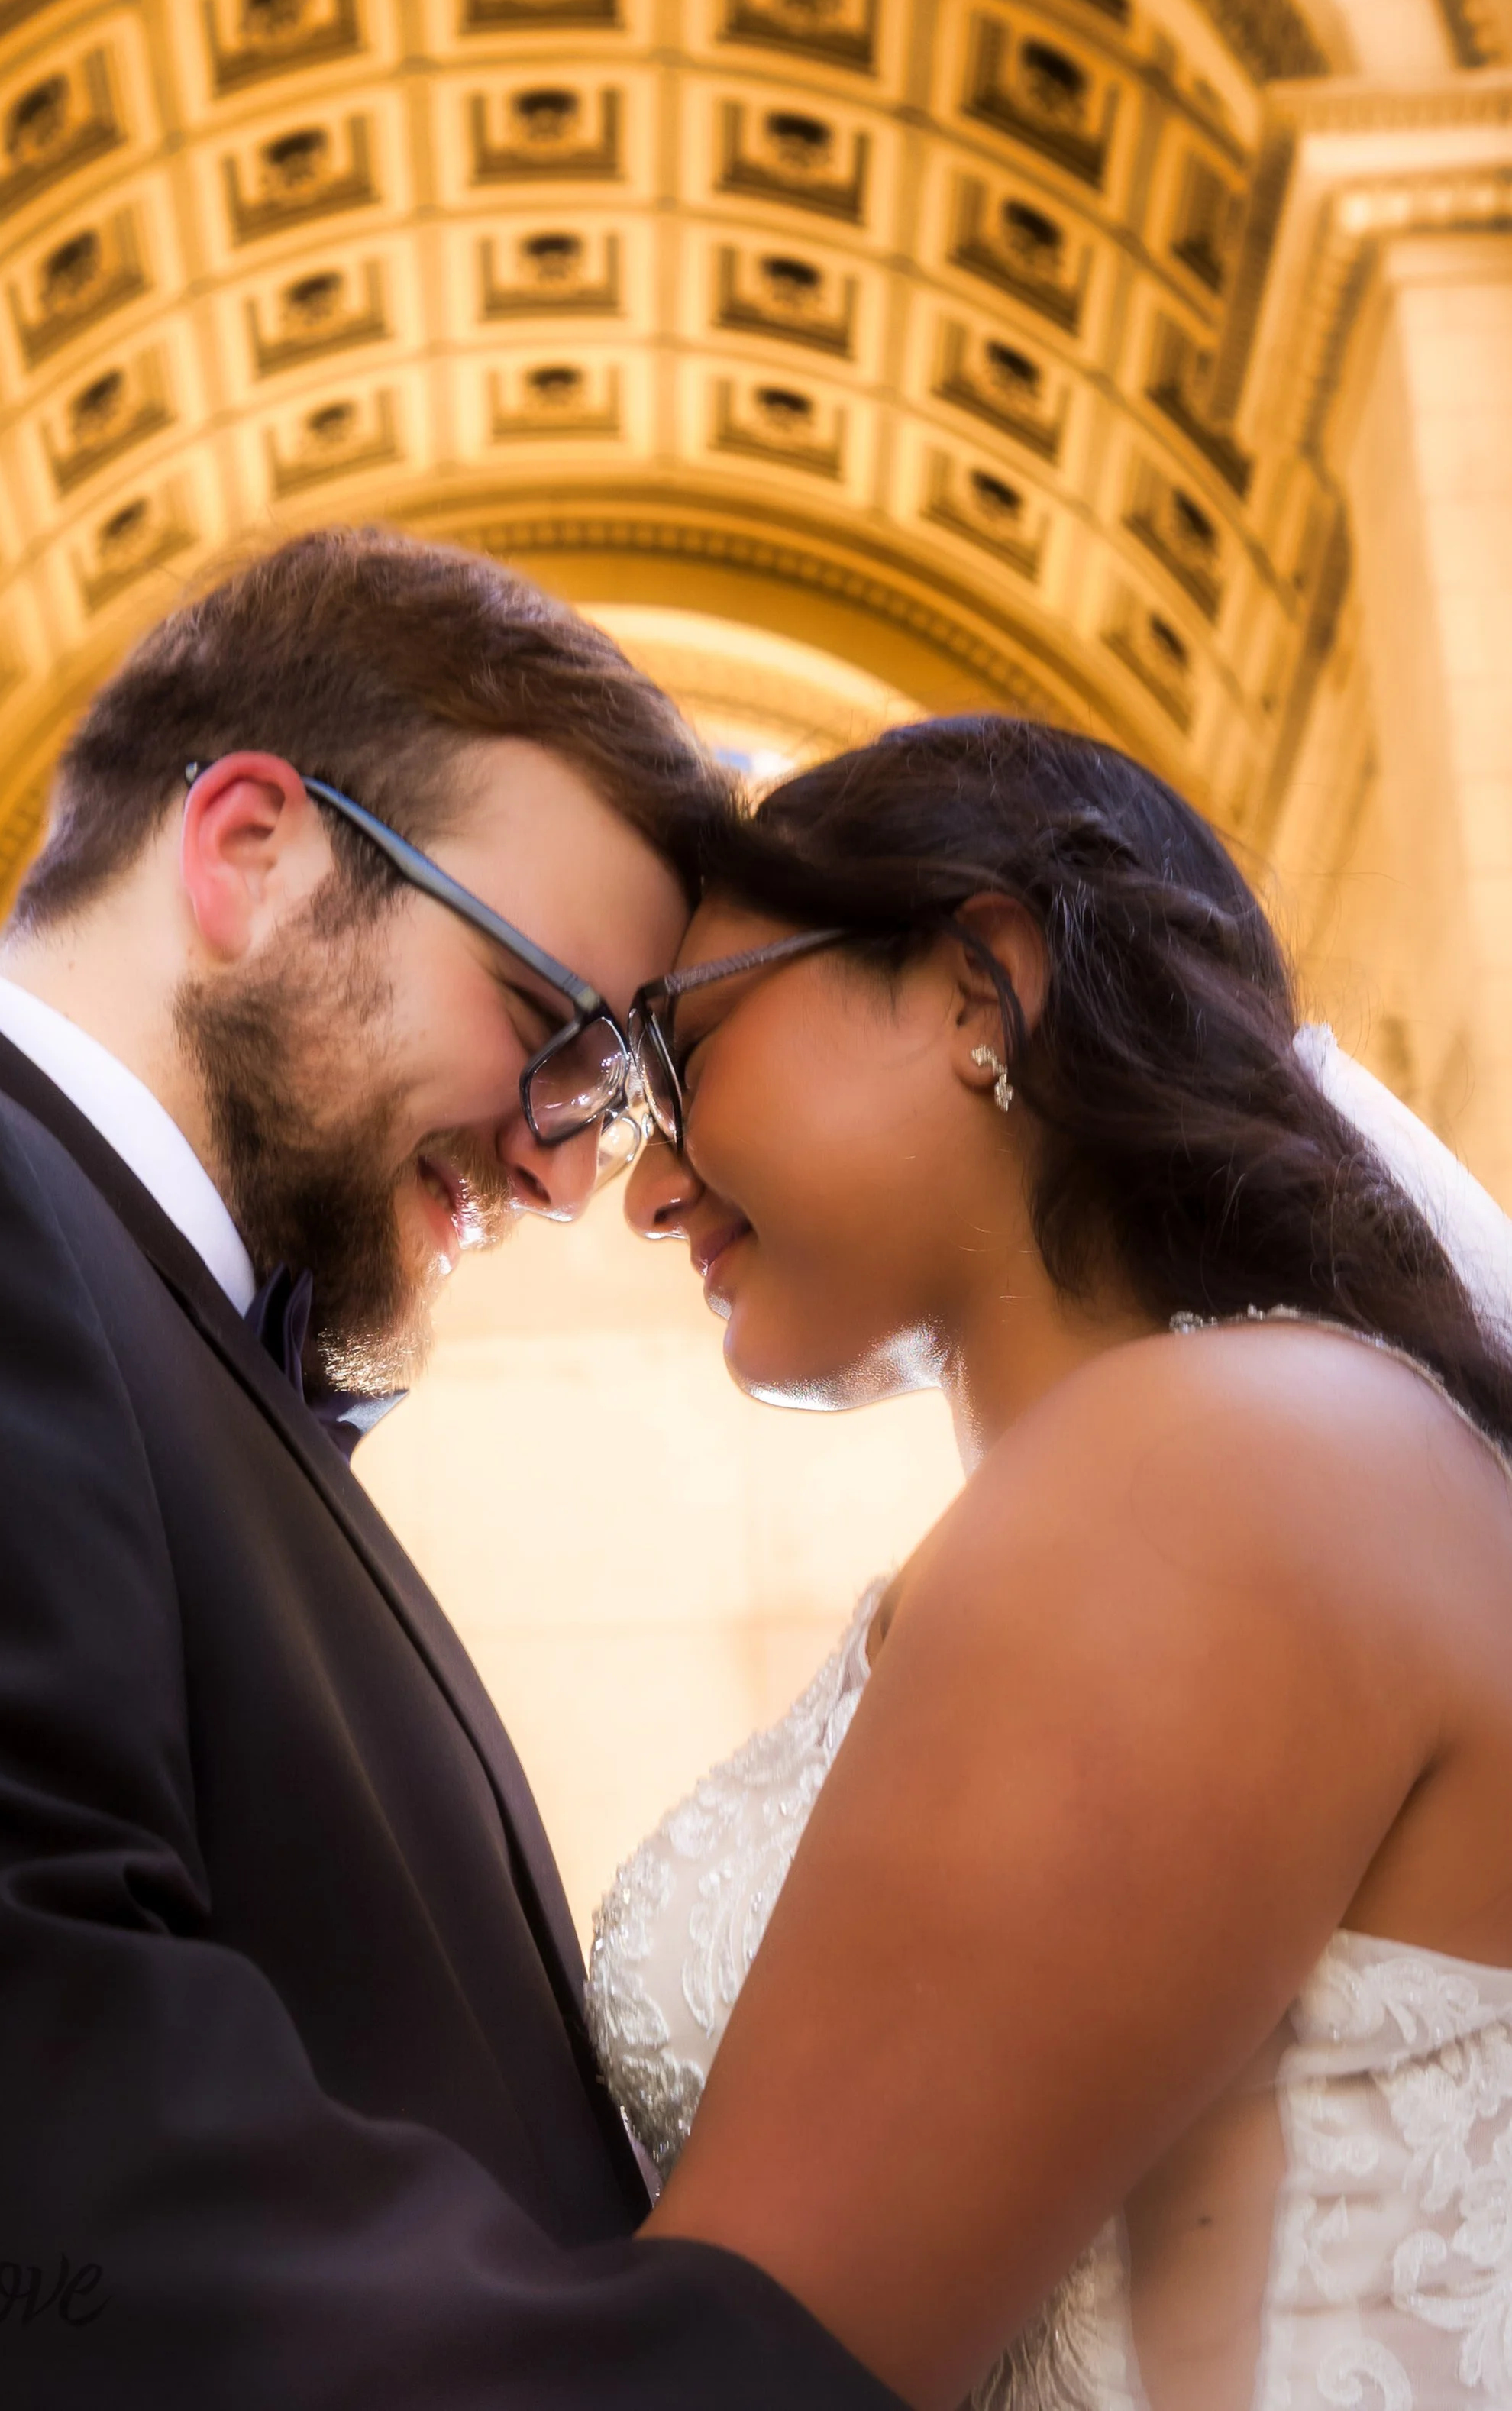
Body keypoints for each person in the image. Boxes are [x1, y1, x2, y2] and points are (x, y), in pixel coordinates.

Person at [0, 529, 900, 2410]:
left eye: (610, 1099)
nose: (566, 1171)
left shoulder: (178, 1352)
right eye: (547, 1038)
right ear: (248, 851)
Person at [589, 713, 1512, 2411]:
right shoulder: (1222, 1455)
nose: (642, 1187)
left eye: (682, 1048)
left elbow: (751, 2361)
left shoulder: (1215, 1470)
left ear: (973, 982)